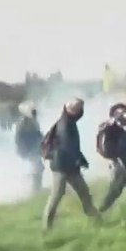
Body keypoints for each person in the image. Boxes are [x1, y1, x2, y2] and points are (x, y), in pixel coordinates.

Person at [41, 97, 99, 229]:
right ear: (71, 109)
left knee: (84, 192)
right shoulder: (65, 124)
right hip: (61, 166)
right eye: (79, 109)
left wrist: (79, 159)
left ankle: (95, 218)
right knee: (56, 196)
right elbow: (68, 146)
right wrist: (79, 160)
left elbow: (72, 146)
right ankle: (47, 227)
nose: (81, 112)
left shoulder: (69, 121)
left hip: (70, 165)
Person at [13, 101, 45, 193]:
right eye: (33, 111)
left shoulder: (33, 121)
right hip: (28, 148)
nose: (35, 113)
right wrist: (23, 150)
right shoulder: (23, 122)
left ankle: (36, 188)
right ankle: (34, 189)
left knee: (38, 167)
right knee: (36, 167)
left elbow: (38, 134)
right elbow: (18, 138)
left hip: (34, 147)